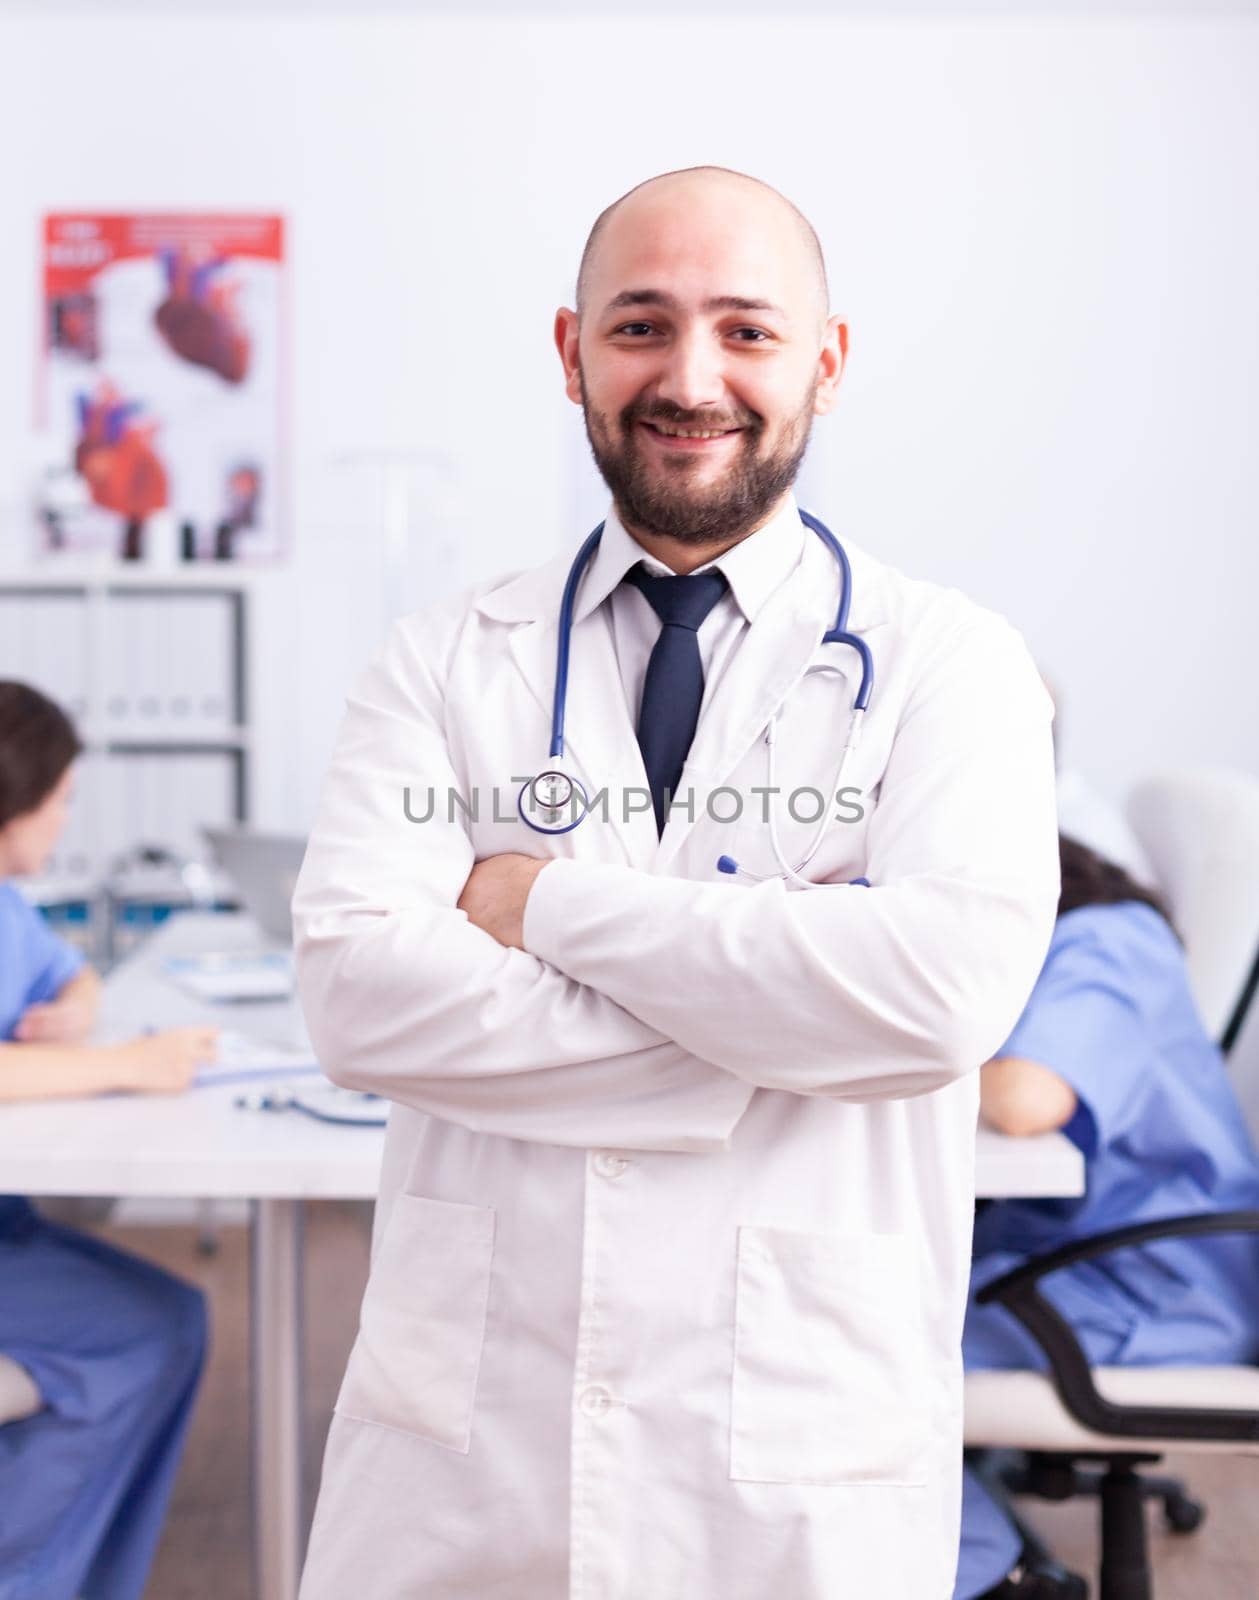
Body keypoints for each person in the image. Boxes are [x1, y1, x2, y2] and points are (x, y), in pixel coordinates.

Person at [292, 165, 1061, 1599]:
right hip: (476, 1444)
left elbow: (937, 998)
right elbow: (357, 1001)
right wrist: (775, 1024)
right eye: (639, 325)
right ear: (571, 350)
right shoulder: (441, 658)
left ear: (824, 363)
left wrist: (537, 906)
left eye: (746, 331)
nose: (688, 375)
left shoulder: (950, 663)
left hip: (791, 1453)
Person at [954, 833, 1259, 1600]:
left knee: (838, 1346)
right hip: (1074, 1267)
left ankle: (998, 1576)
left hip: (1145, 1296)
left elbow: (1024, 1101)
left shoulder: (1107, 941)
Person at [0, 679, 218, 1600]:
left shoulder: (10, 902)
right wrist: (127, 1064)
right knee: (149, 1330)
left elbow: (68, 970)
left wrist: (76, 1007)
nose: (63, 824)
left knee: (174, 1319)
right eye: (61, 803)